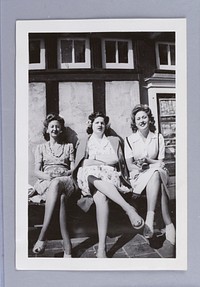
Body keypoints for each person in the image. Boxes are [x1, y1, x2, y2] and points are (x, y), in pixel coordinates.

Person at [72, 111, 144, 258]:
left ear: (106, 126)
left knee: (101, 197)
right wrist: (101, 160)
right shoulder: (84, 141)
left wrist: (95, 159)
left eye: (102, 123)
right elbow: (83, 163)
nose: (100, 124)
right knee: (92, 174)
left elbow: (115, 159)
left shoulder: (113, 140)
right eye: (97, 122)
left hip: (109, 176)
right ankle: (128, 208)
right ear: (91, 125)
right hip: (88, 178)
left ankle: (102, 248)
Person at [124, 104, 175, 253]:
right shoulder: (129, 140)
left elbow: (160, 162)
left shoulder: (158, 137)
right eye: (138, 118)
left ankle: (149, 219)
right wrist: (139, 167)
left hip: (156, 171)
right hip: (139, 175)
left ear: (149, 119)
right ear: (135, 122)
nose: (141, 120)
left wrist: (148, 160)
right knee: (156, 175)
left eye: (144, 117)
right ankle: (169, 225)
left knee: (157, 173)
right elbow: (129, 165)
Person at [32, 113, 75, 258]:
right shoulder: (40, 148)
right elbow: (37, 171)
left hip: (66, 180)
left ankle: (42, 236)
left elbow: (73, 170)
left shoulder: (69, 147)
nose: (55, 129)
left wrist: (63, 172)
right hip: (47, 181)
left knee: (58, 184)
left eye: (58, 126)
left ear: (61, 130)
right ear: (47, 130)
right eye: (52, 126)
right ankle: (67, 247)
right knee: (61, 198)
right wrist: (49, 176)